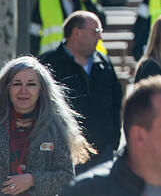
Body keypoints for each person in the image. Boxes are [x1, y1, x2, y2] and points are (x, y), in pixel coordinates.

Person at [38, 11, 122, 172]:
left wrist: (113, 142)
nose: (100, 37)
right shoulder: (49, 63)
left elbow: (116, 103)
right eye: (96, 31)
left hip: (102, 152)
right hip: (63, 154)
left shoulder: (103, 63)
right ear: (77, 33)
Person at [0, 56, 94, 196]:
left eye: (31, 84)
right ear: (7, 88)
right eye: (17, 84)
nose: (23, 91)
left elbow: (67, 177)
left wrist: (33, 180)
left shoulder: (54, 127)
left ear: (41, 89)